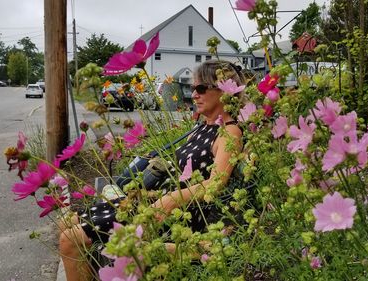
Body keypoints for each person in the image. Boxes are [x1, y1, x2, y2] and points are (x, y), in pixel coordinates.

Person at [59, 60, 245, 281]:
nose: (194, 95)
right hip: (160, 205)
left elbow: (216, 183)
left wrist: (171, 200)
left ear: (224, 89)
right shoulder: (204, 126)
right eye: (193, 88)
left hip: (182, 217)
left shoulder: (229, 132)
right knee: (66, 222)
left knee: (70, 239)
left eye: (201, 88)